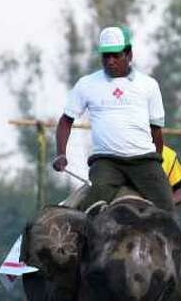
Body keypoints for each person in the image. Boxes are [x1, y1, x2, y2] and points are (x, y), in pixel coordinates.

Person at [53, 25, 171, 211]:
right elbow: (65, 121)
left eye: (116, 55)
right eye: (106, 56)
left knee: (167, 212)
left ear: (129, 54)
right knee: (88, 213)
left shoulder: (149, 85)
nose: (110, 61)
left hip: (144, 161)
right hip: (107, 163)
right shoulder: (87, 84)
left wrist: (156, 162)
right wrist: (61, 153)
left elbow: (156, 130)